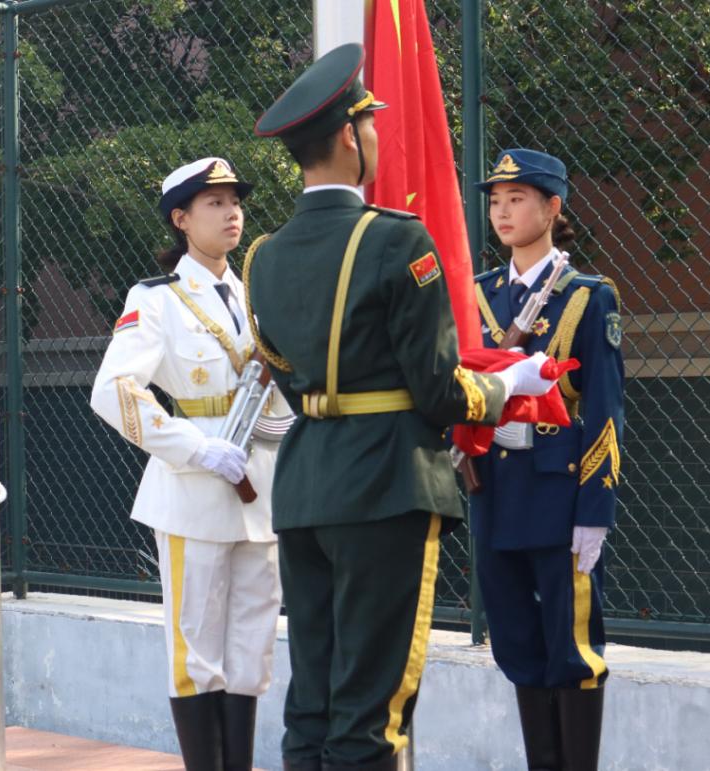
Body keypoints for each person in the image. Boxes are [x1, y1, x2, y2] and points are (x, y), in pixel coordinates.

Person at [246, 44, 562, 771]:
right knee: (372, 710)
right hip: (386, 482)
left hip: (305, 485)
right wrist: (506, 387)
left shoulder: (265, 255)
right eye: (368, 123)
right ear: (346, 137)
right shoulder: (397, 240)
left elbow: (287, 374)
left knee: (314, 703)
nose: (377, 136)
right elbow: (438, 388)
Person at [90, 157, 287, 771]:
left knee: (251, 649)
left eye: (235, 202)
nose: (232, 213)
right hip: (194, 490)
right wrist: (196, 448)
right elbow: (113, 390)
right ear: (181, 219)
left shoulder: (259, 295)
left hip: (263, 485)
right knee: (197, 652)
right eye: (214, 203)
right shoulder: (156, 299)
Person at [470, 148, 625, 771]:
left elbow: (606, 409)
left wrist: (595, 510)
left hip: (560, 495)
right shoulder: (480, 295)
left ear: (553, 207)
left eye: (517, 199)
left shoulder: (587, 296)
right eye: (495, 201)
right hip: (495, 494)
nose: (503, 212)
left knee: (573, 650)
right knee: (517, 646)